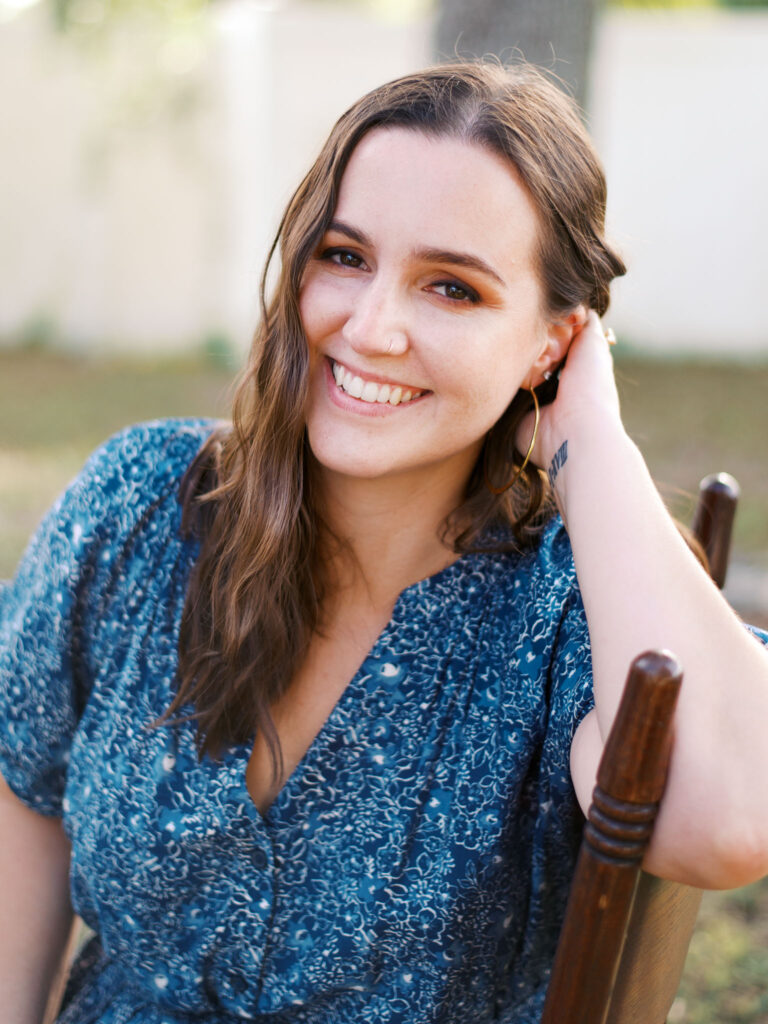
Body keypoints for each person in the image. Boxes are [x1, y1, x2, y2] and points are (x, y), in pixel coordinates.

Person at [1, 61, 767, 1024]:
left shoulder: (576, 617)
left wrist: (592, 445)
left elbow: (731, 822)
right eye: (346, 256)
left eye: (452, 288)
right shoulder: (142, 506)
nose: (372, 328)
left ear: (551, 345)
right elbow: (22, 779)